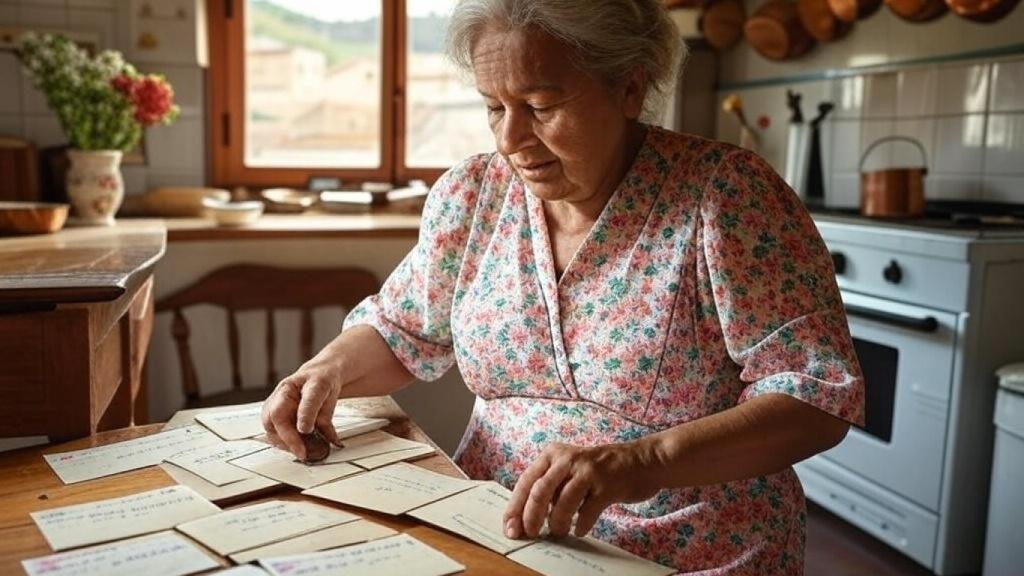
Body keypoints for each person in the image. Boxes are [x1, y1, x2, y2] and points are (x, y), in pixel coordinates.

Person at [261, 0, 864, 573]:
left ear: (629, 88)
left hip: (691, 551)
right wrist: (326, 371)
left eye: (540, 105)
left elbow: (815, 399)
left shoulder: (725, 198)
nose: (510, 139)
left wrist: (645, 460)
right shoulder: (473, 196)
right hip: (496, 528)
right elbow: (401, 330)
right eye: (494, 107)